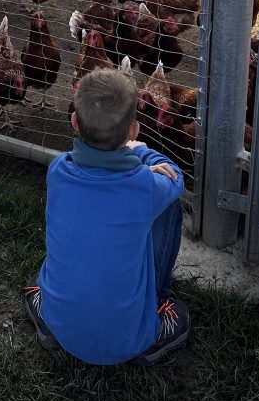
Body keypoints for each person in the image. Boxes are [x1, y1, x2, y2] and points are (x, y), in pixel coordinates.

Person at [24, 68, 189, 365]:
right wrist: (144, 155)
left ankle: (46, 314)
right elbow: (176, 179)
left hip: (60, 325)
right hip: (128, 341)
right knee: (170, 207)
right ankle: (156, 312)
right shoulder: (145, 187)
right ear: (134, 131)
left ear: (74, 122)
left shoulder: (58, 169)